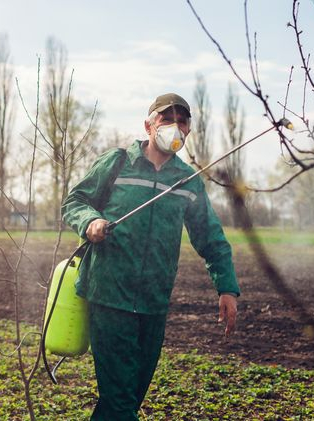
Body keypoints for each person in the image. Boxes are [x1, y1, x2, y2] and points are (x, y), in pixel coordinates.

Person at [61, 93, 240, 420]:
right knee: (120, 401)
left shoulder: (186, 181)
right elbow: (74, 202)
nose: (175, 126)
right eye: (166, 118)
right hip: (109, 296)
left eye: (182, 121)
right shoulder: (118, 163)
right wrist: (91, 222)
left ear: (188, 131)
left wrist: (226, 287)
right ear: (148, 124)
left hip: (153, 303)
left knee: (126, 399)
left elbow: (210, 236)